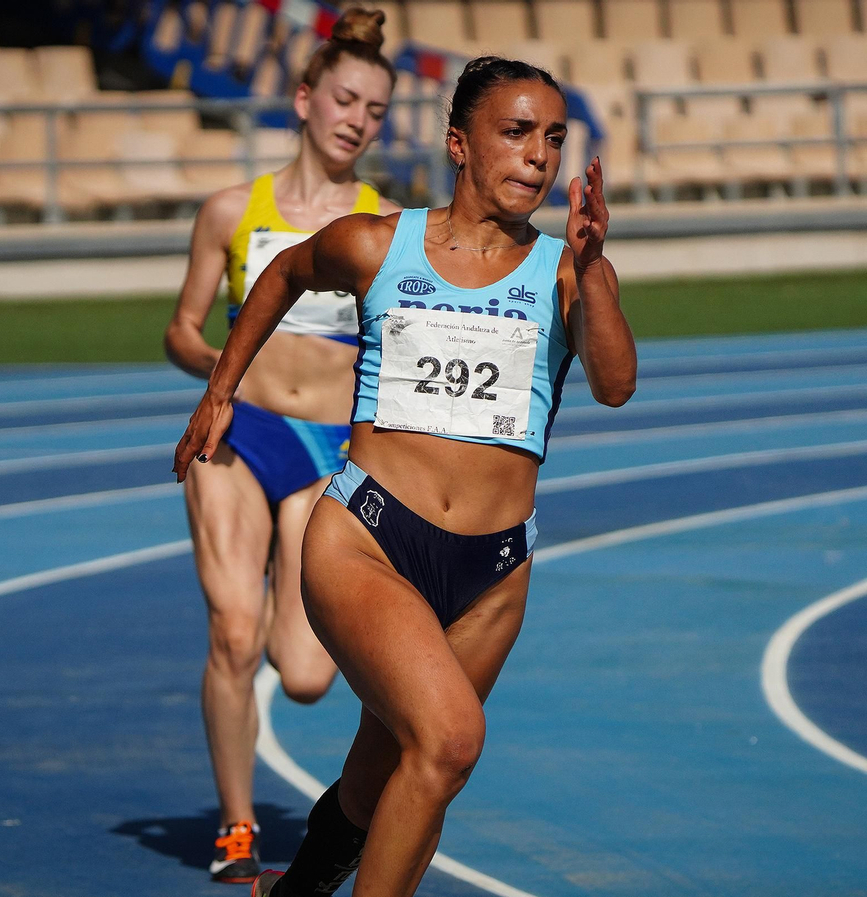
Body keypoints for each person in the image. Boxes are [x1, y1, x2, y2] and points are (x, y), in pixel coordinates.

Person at [173, 55, 637, 897]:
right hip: (369, 541)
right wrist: (220, 390)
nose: (539, 154)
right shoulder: (377, 243)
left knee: (383, 772)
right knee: (451, 739)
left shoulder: (566, 271)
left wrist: (597, 267)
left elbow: (614, 384)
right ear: (459, 143)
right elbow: (280, 275)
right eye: (516, 132)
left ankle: (297, 887)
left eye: (555, 138)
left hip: (492, 573)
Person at [161, 8, 400, 884]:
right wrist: (220, 368)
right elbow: (181, 330)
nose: (357, 120)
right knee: (233, 633)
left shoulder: (387, 227)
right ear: (304, 99)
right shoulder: (233, 211)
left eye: (375, 111)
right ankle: (235, 826)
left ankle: (264, 593)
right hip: (239, 434)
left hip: (326, 451)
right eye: (344, 99)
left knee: (301, 672)